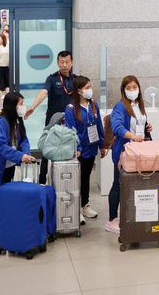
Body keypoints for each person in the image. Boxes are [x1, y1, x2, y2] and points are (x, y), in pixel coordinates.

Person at [0, 92, 36, 245]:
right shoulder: (0, 123)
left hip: (8, 167)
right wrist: (20, 156)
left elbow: (23, 139)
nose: (23, 107)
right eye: (20, 104)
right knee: (0, 199)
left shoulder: (17, 121)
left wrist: (25, 153)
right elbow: (1, 147)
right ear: (12, 106)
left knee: (0, 198)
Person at [106, 75, 152, 234]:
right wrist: (132, 136)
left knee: (134, 185)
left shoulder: (139, 105)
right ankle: (112, 219)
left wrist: (147, 127)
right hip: (124, 152)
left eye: (134, 87)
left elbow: (140, 123)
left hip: (139, 152)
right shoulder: (120, 107)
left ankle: (131, 215)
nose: (132, 90)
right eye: (128, 88)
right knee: (118, 184)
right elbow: (117, 127)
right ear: (123, 90)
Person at [24, 50, 76, 184]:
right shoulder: (52, 78)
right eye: (62, 62)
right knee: (47, 151)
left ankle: (67, 181)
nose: (64, 65)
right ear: (58, 63)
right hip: (53, 121)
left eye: (67, 62)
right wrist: (33, 107)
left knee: (71, 149)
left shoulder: (76, 79)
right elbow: (43, 92)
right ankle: (42, 182)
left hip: (70, 121)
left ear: (72, 63)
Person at [64, 76, 106, 221]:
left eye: (90, 86)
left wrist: (102, 145)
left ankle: (85, 205)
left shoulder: (93, 105)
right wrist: (78, 147)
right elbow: (71, 131)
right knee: (76, 179)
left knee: (86, 177)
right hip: (78, 150)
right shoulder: (70, 109)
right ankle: (75, 209)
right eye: (87, 87)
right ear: (79, 90)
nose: (90, 90)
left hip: (91, 148)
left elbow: (99, 125)